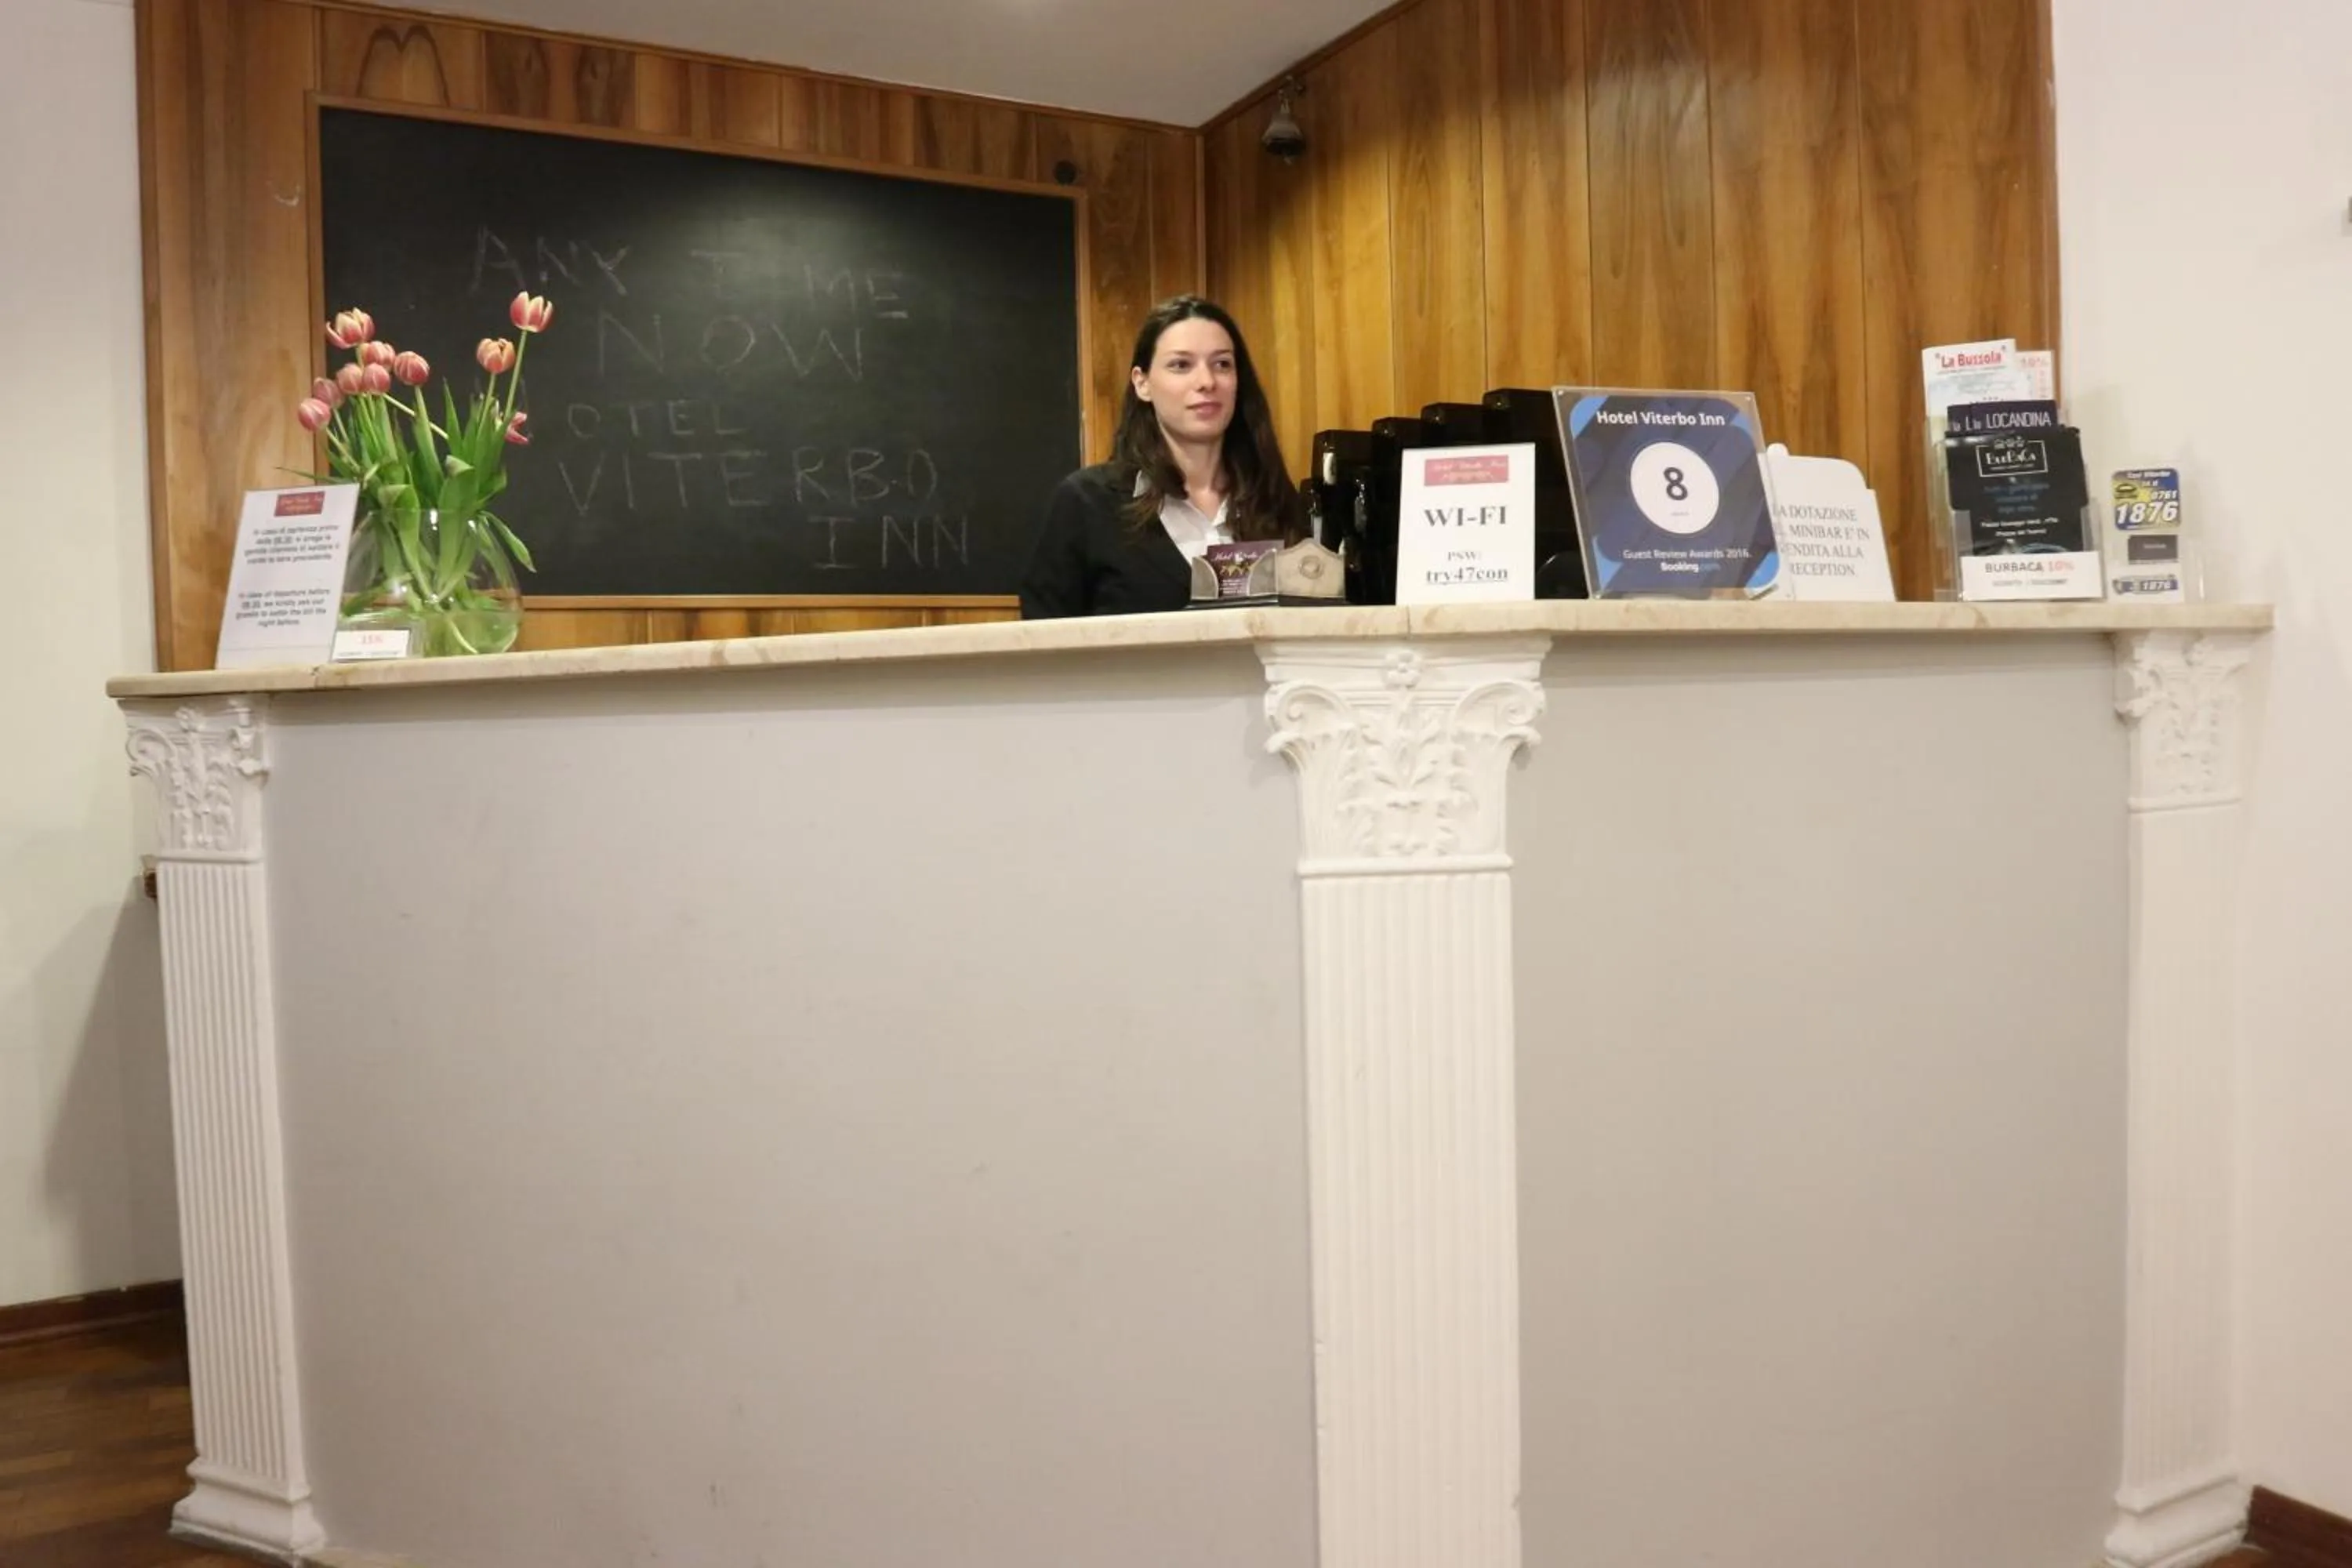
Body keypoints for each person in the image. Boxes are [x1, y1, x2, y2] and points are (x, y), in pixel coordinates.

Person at [1020, 296, 1301, 618]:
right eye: (1181, 365)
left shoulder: (1276, 500)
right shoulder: (1087, 503)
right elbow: (1041, 644)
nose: (1207, 382)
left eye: (1222, 364)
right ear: (1143, 383)